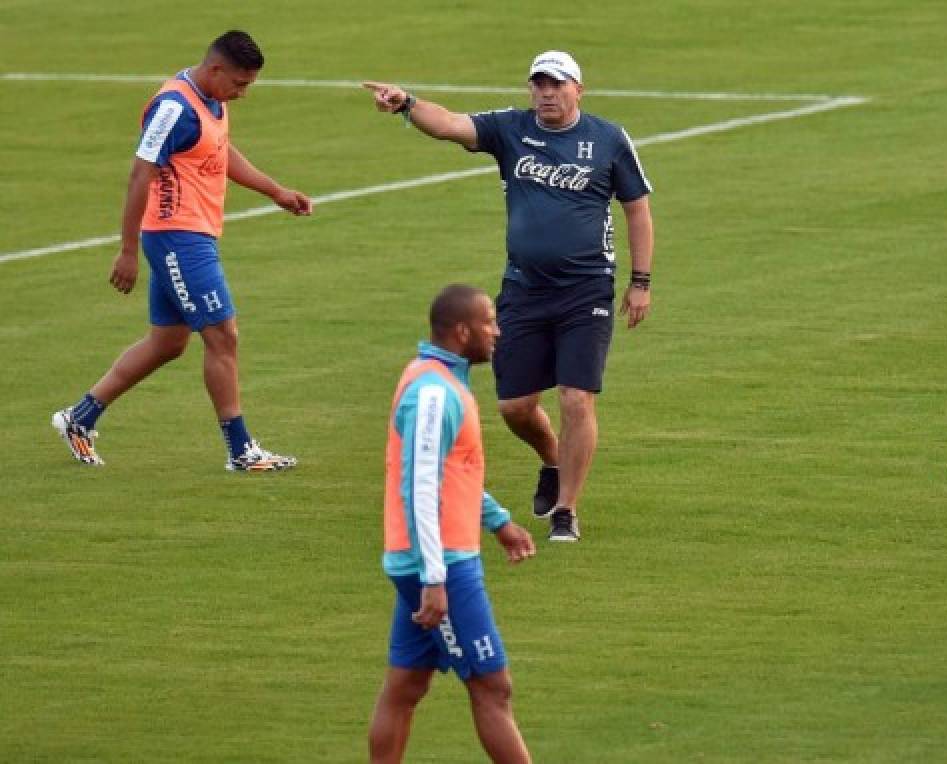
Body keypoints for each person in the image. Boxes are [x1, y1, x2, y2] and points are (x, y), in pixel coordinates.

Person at [362, 50, 655, 542]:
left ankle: (566, 511)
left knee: (577, 397)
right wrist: (407, 103)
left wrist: (641, 282)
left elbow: (637, 209)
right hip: (523, 288)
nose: (545, 93)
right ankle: (552, 460)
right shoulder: (511, 129)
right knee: (515, 407)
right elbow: (450, 124)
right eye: (538, 84)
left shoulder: (608, 140)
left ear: (577, 89)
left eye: (556, 84)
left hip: (587, 290)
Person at [51, 30, 311, 471]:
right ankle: (241, 451)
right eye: (240, 84)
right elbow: (140, 174)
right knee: (223, 336)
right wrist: (127, 250)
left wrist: (275, 191)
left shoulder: (211, 99)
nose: (242, 94)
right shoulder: (173, 109)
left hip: (193, 235)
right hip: (178, 237)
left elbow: (219, 152)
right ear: (215, 70)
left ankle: (80, 418)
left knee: (168, 343)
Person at [369, 284, 537, 764]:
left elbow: (451, 473)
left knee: (406, 683)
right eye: (489, 323)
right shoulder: (433, 394)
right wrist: (435, 578)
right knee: (491, 686)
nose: (497, 332)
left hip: (429, 558)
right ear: (462, 332)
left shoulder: (439, 381)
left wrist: (498, 521)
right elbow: (421, 486)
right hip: (441, 563)